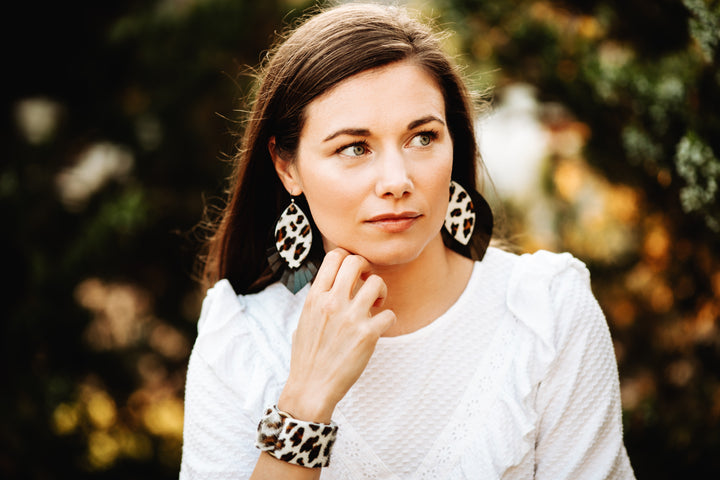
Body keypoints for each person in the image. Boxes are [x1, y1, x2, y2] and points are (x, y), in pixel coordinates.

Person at [180, 2, 635, 479]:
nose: (397, 180)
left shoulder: (547, 316)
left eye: (422, 138)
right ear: (287, 166)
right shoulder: (241, 339)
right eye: (354, 148)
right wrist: (305, 401)